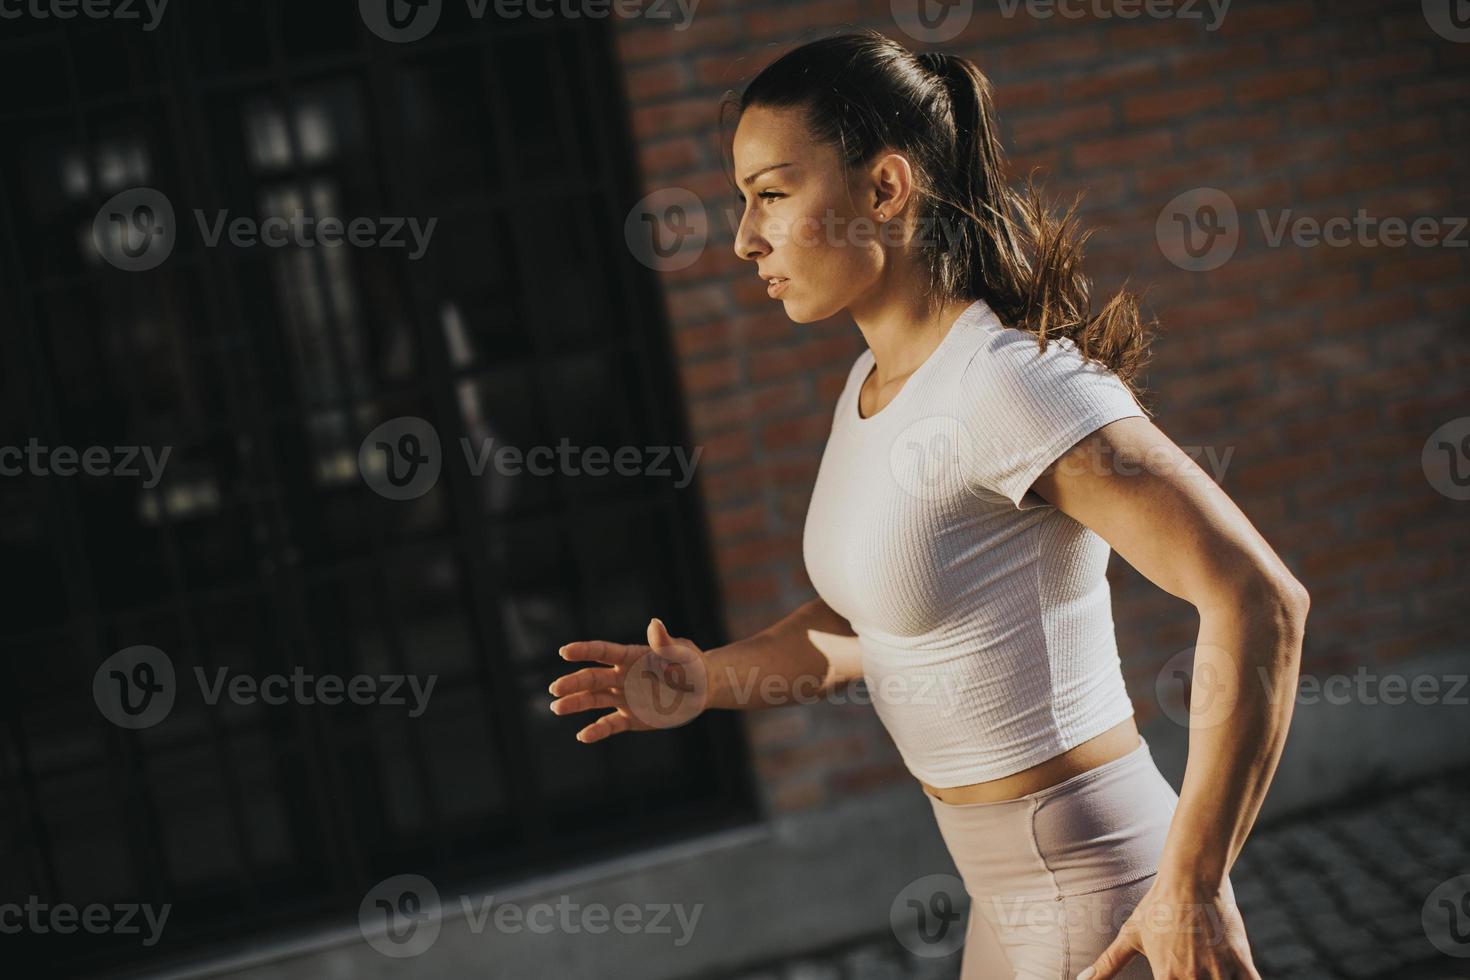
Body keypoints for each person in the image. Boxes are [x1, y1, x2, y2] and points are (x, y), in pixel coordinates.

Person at [549, 29, 1309, 980]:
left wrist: (1190, 884)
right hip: (1006, 896)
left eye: (772, 194)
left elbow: (1259, 598)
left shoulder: (1010, 382)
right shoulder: (874, 382)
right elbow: (874, 627)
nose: (745, 237)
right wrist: (706, 680)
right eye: (744, 202)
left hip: (1102, 892)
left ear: (884, 189)